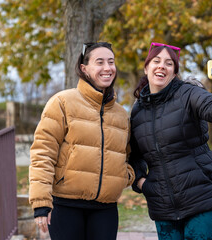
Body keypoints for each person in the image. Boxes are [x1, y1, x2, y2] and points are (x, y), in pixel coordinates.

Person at [129, 42, 212, 240]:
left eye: (169, 63)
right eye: (156, 61)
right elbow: (133, 156)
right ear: (146, 68)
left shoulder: (189, 94)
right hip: (163, 209)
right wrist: (143, 183)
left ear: (174, 72)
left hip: (202, 200)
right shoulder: (137, 112)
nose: (162, 66)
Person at [29, 42, 135, 240]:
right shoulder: (62, 102)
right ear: (84, 68)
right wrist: (41, 201)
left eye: (111, 62)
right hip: (66, 206)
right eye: (100, 62)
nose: (107, 68)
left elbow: (128, 155)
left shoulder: (121, 114)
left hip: (106, 209)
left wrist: (123, 176)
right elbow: (43, 153)